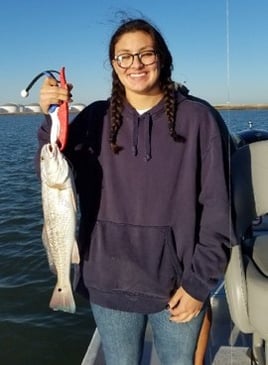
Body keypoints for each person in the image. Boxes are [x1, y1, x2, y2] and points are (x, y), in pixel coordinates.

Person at [37, 17, 234, 365]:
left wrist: (197, 285)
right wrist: (52, 115)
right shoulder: (96, 117)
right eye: (124, 56)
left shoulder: (199, 119)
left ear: (163, 57)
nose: (135, 64)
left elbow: (218, 210)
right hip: (108, 283)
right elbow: (53, 158)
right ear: (114, 65)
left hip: (177, 286)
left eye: (145, 53)